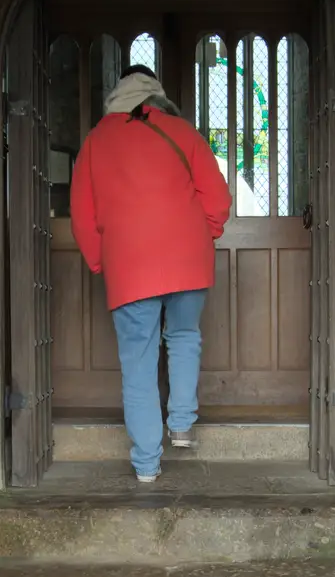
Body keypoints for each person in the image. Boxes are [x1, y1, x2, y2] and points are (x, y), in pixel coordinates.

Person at [69, 65, 232, 482]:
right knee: (183, 335)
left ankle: (146, 465)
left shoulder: (95, 141)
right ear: (156, 96)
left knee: (138, 361)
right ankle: (181, 423)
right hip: (188, 258)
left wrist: (101, 261)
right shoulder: (183, 132)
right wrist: (203, 235)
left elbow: (83, 216)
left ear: (116, 96)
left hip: (129, 264)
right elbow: (217, 197)